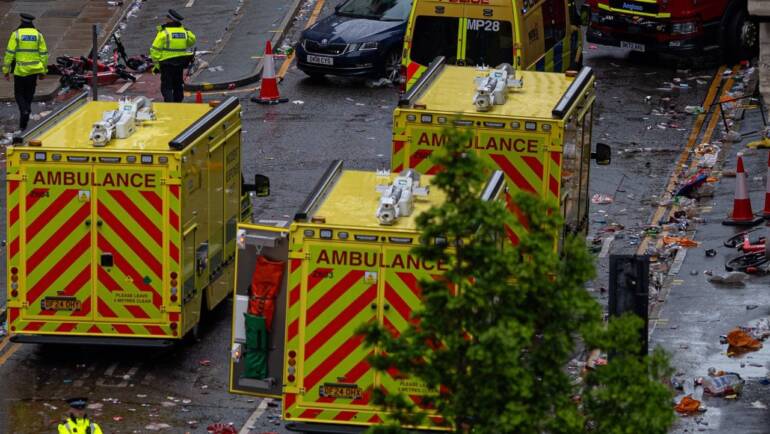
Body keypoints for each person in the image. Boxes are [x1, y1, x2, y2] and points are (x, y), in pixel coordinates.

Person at [2, 13, 48, 132]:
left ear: (21, 22)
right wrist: (43, 71)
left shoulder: (16, 34)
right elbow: (43, 54)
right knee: (29, 94)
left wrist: (6, 70)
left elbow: (9, 54)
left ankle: (25, 111)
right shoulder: (38, 35)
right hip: (33, 71)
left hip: (20, 71)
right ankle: (24, 123)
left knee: (19, 94)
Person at [150, 9, 196, 102]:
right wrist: (183, 28)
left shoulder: (164, 32)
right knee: (178, 85)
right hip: (180, 63)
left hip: (167, 63)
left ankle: (170, 105)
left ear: (171, 19)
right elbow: (192, 40)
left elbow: (154, 50)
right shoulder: (184, 32)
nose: (165, 19)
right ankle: (178, 103)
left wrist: (157, 64)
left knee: (166, 87)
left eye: (167, 17)